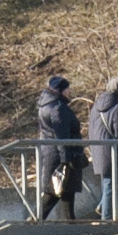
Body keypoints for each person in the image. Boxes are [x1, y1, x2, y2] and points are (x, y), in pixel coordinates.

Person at [33, 70, 81, 218]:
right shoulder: (58, 108)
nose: (69, 92)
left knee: (61, 190)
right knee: (58, 190)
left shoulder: (45, 105)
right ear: (61, 90)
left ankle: (70, 224)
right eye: (67, 89)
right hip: (61, 154)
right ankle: (35, 221)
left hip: (50, 153)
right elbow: (62, 136)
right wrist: (66, 159)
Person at [87, 78, 118, 221]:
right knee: (112, 182)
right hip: (111, 149)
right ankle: (106, 218)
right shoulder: (117, 105)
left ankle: (103, 207)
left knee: (109, 181)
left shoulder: (96, 105)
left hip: (98, 149)